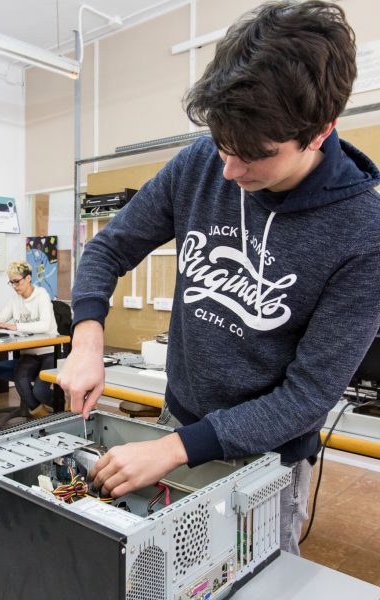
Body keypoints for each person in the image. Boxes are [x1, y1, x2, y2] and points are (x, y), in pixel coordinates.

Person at [57, 0, 380, 556]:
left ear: (321, 131)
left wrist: (179, 449)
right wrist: (87, 340)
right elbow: (108, 249)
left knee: (254, 576)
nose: (230, 170)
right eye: (224, 146)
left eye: (255, 155)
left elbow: (307, 397)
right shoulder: (202, 162)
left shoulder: (364, 232)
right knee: (168, 566)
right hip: (175, 422)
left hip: (268, 458)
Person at [0, 261, 59, 417]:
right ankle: (42, 417)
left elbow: (44, 325)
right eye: (11, 282)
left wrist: (16, 327)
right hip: (29, 353)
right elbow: (1, 316)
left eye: (17, 281)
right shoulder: (15, 299)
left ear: (28, 278)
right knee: (21, 381)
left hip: (49, 352)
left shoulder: (42, 296)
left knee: (39, 391)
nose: (14, 286)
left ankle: (63, 406)